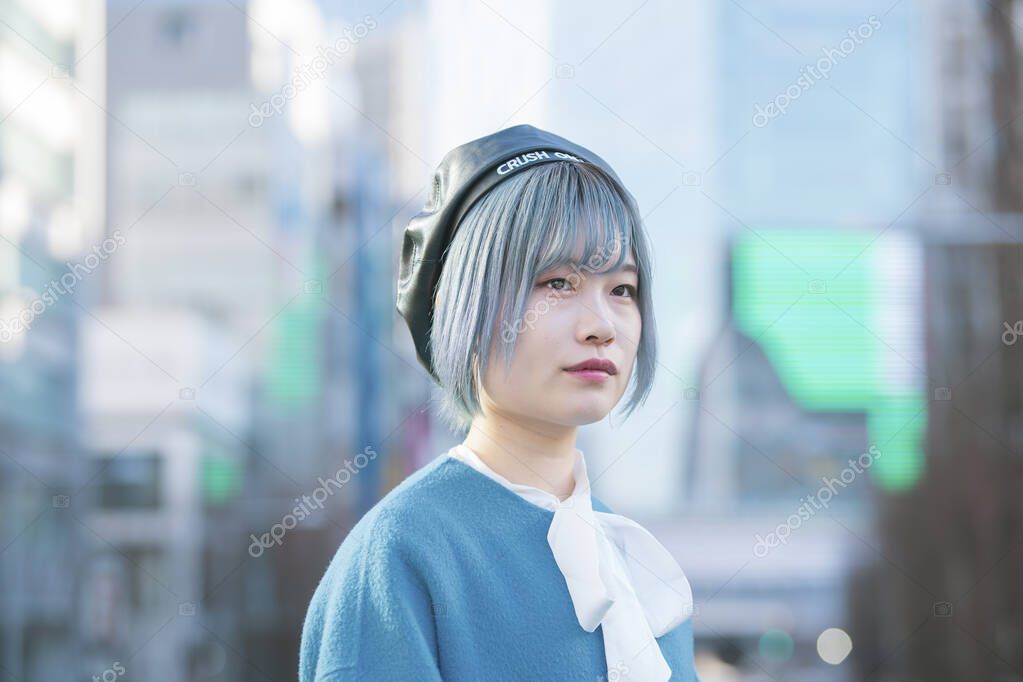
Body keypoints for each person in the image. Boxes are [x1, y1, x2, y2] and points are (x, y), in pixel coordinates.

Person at [299, 124, 699, 681]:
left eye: (622, 289)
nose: (601, 326)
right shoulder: (403, 554)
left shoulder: (638, 564)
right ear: (465, 301)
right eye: (557, 282)